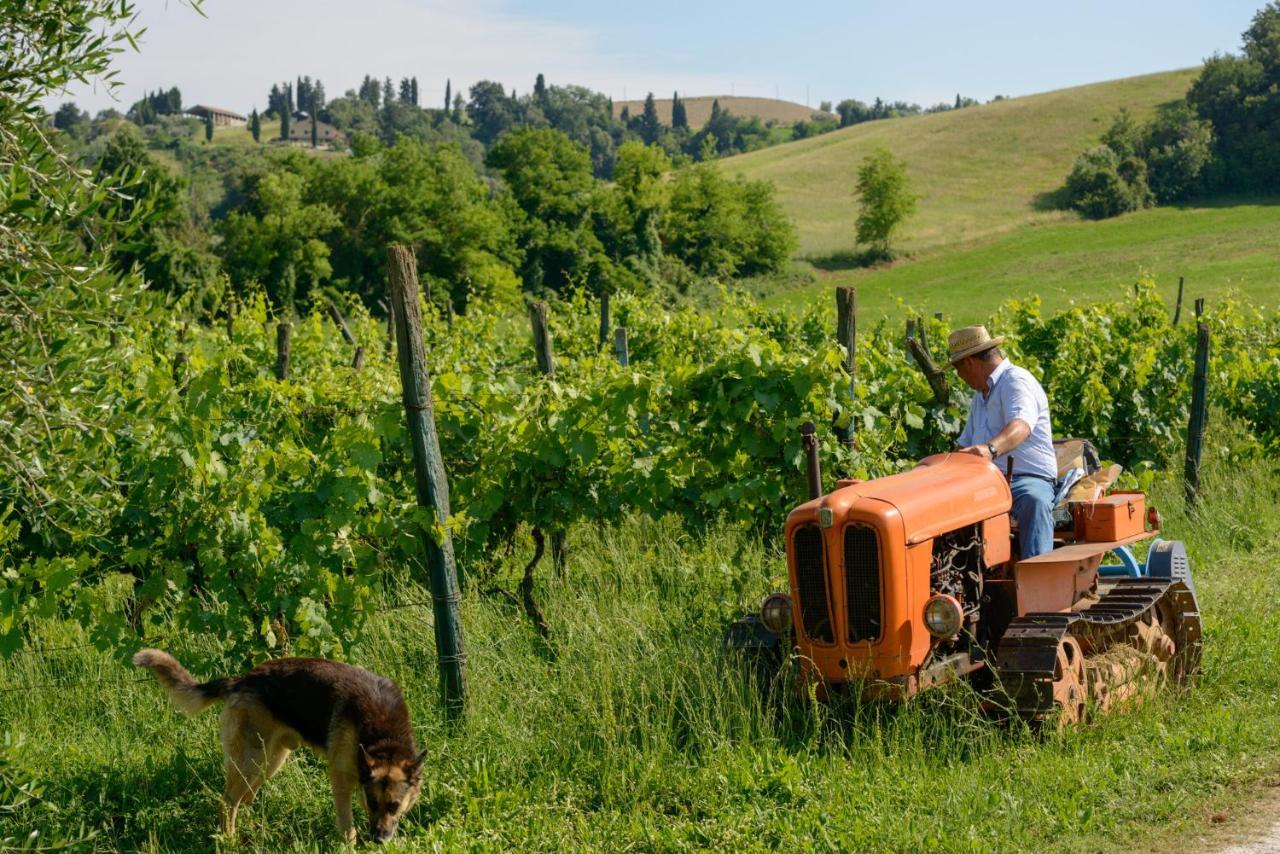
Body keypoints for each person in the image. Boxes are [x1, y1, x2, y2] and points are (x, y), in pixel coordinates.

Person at [947, 325, 1058, 559]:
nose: (960, 378)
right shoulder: (981, 395)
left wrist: (990, 449)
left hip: (1025, 478)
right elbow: (965, 445)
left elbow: (1021, 426)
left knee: (1033, 501)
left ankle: (1037, 575)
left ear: (969, 363)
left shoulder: (1016, 381)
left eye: (958, 370)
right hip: (988, 481)